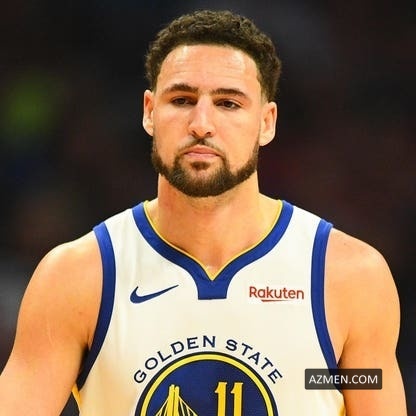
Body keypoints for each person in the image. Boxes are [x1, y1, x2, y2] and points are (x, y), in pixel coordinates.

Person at [0, 9, 407, 415]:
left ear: (267, 122)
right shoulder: (78, 277)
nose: (201, 123)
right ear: (149, 112)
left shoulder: (350, 278)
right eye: (182, 100)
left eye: (228, 103)